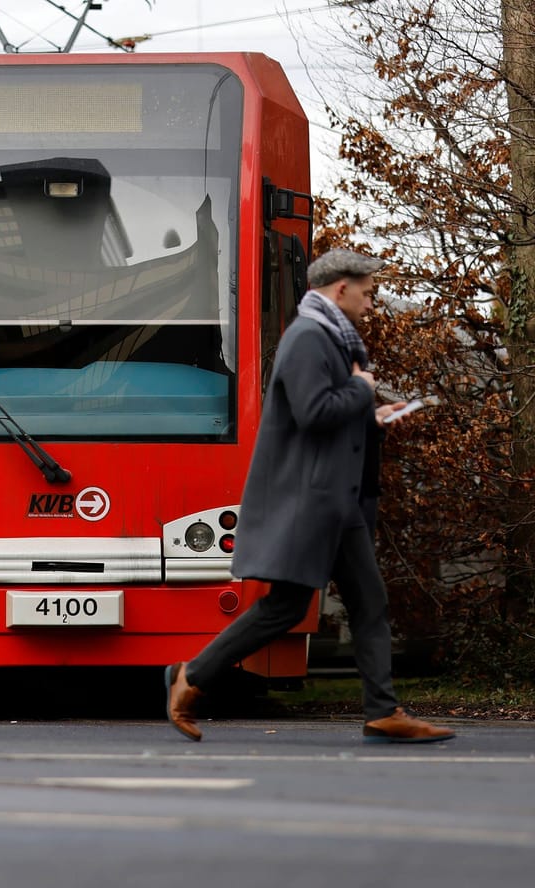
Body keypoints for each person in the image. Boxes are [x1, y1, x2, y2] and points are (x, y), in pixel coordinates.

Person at [164, 248, 453, 745]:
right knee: (284, 609)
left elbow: (328, 420)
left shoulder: (333, 339)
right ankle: (190, 677)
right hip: (311, 503)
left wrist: (372, 417)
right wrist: (363, 392)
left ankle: (383, 711)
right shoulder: (307, 338)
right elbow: (314, 412)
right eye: (365, 292)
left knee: (369, 604)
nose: (369, 302)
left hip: (335, 503)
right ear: (341, 289)